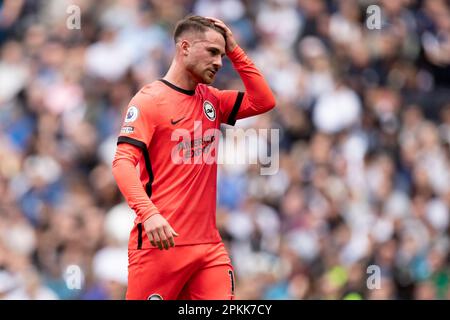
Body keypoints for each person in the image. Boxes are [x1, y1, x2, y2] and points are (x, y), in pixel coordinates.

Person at [112, 15, 275, 300]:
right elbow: (122, 162)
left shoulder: (212, 100)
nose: (219, 62)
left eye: (223, 55)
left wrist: (235, 50)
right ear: (184, 47)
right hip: (160, 245)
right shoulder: (149, 100)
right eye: (213, 52)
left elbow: (263, 100)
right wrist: (149, 214)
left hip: (208, 247)